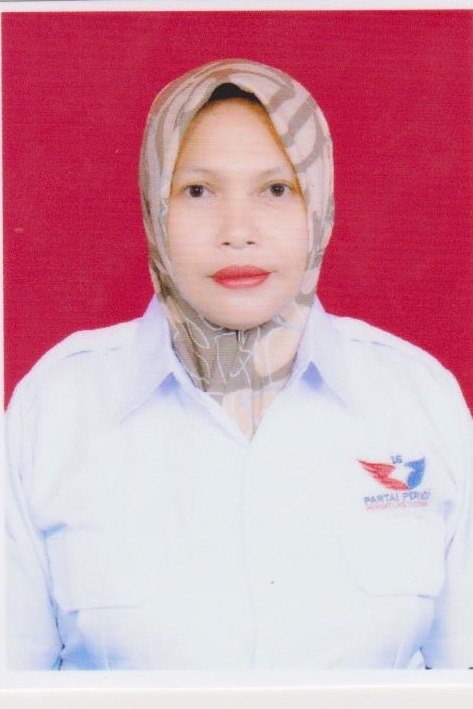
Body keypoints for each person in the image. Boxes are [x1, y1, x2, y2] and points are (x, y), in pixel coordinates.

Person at [5, 58, 473, 671]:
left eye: (276, 190)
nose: (238, 231)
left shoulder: (417, 397)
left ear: (319, 204)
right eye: (197, 191)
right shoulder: (60, 405)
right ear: (155, 206)